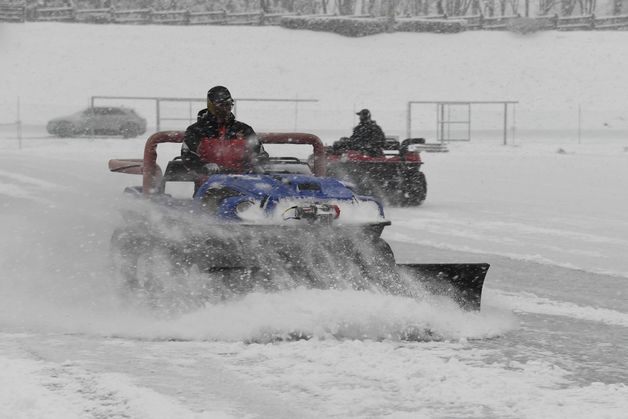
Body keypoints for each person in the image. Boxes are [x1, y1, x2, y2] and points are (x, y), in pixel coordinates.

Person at [181, 85, 267, 175]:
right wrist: (204, 166)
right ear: (211, 106)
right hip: (208, 184)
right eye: (221, 105)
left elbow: (260, 153)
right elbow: (188, 157)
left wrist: (257, 164)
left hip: (243, 183)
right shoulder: (196, 131)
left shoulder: (244, 130)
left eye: (229, 104)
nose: (226, 109)